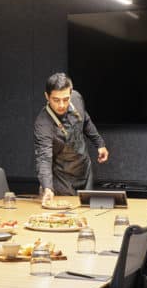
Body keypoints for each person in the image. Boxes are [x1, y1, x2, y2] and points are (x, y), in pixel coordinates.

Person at [34, 72, 108, 202]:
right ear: (47, 96)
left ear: (71, 92)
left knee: (87, 213)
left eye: (66, 99)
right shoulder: (43, 124)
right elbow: (43, 158)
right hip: (62, 180)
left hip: (85, 171)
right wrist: (47, 188)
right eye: (56, 100)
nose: (62, 105)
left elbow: (85, 121)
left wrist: (100, 144)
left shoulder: (76, 98)